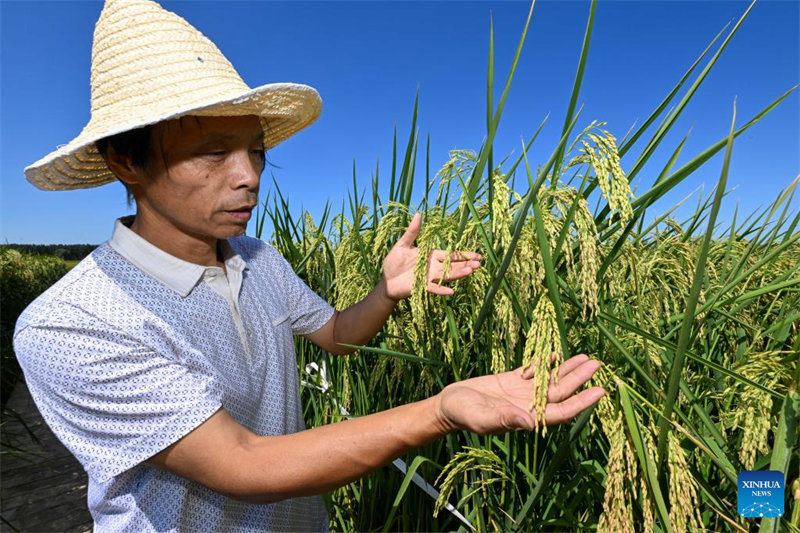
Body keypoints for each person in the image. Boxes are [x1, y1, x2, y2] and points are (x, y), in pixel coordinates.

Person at [13, 0, 605, 531]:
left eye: (255, 153)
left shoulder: (258, 260)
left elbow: (337, 336)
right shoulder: (72, 324)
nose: (248, 177)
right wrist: (441, 410)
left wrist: (387, 291)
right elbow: (241, 463)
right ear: (126, 162)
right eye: (214, 152)